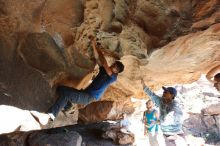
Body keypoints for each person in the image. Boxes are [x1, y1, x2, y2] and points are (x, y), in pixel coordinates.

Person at [47, 37, 124, 121]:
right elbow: (98, 58)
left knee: (66, 94)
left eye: (114, 67)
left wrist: (96, 45)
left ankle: (52, 114)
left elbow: (104, 63)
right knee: (61, 89)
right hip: (85, 92)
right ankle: (69, 107)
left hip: (90, 97)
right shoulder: (104, 71)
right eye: (113, 64)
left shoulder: (113, 77)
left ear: (116, 72)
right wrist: (93, 45)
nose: (112, 66)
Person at [141, 78, 187, 146]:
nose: (163, 92)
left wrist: (157, 122)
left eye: (166, 92)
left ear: (172, 95)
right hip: (166, 134)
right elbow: (152, 95)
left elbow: (170, 117)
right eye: (164, 91)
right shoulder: (162, 101)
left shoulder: (175, 105)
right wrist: (143, 85)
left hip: (176, 134)